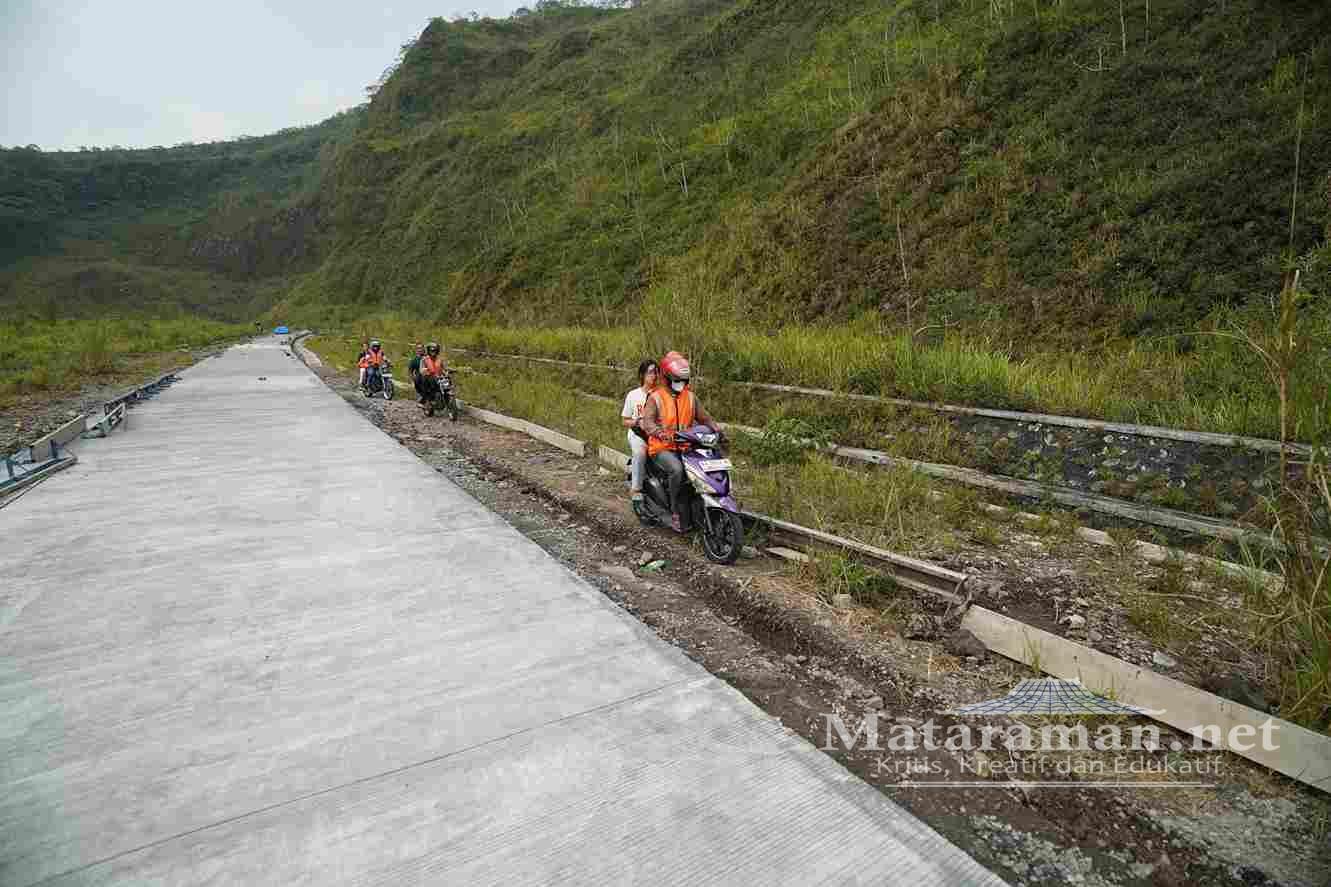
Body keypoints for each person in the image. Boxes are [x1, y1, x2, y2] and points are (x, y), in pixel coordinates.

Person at [639, 350, 720, 533]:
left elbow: (705, 418)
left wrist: (717, 429)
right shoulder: (656, 397)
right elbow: (647, 422)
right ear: (666, 378)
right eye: (676, 380)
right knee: (677, 470)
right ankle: (674, 510)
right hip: (662, 447)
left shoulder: (690, 397)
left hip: (686, 446)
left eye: (683, 380)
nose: (680, 384)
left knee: (706, 467)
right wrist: (660, 433)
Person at [621, 360, 659, 506]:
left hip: (657, 434)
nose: (654, 376)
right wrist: (637, 422)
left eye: (656, 372)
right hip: (638, 433)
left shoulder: (662, 394)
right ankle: (636, 489)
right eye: (650, 372)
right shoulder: (633, 395)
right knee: (640, 453)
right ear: (642, 375)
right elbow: (625, 420)